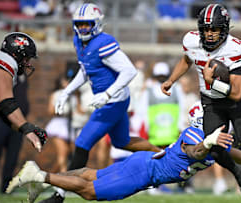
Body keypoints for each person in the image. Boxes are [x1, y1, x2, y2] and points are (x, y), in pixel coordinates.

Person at [6, 101, 241, 202]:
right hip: (146, 171)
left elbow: (230, 153)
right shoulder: (198, 132)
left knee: (93, 175)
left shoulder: (214, 136)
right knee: (91, 192)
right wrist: (210, 142)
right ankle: (40, 176)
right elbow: (196, 150)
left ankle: (45, 181)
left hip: (145, 163)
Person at [41, 3, 160, 203]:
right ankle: (164, 155)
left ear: (97, 24)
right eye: (80, 25)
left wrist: (107, 94)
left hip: (112, 102)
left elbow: (129, 71)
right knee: (122, 142)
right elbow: (87, 70)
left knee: (81, 144)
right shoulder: (79, 42)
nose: (83, 29)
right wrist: (67, 91)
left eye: (87, 24)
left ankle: (59, 195)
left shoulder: (103, 43)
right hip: (114, 100)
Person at [161, 4, 241, 202]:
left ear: (225, 28)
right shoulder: (191, 41)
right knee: (214, 150)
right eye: (206, 29)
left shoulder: (234, 47)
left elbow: (238, 93)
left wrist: (212, 81)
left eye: (215, 28)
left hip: (234, 103)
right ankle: (237, 173)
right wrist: (171, 80)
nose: (210, 33)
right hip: (211, 103)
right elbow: (187, 60)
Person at [0, 32, 47, 153]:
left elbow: (2, 110)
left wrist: (25, 127)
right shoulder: (5, 63)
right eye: (27, 59)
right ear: (17, 55)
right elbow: (6, 103)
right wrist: (27, 129)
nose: (28, 63)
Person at [0, 74, 29, 193]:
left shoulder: (23, 76)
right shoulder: (5, 72)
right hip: (1, 121)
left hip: (18, 124)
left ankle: (6, 187)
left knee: (12, 156)